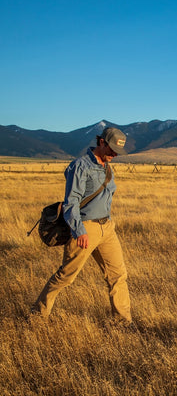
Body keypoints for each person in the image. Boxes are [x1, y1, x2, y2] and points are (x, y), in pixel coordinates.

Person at [32, 127, 132, 325]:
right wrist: (79, 231)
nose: (114, 154)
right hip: (86, 228)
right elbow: (71, 202)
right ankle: (37, 314)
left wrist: (107, 224)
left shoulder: (106, 166)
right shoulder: (80, 166)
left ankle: (123, 321)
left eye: (117, 152)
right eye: (111, 149)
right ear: (101, 142)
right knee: (66, 276)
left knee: (118, 275)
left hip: (107, 228)